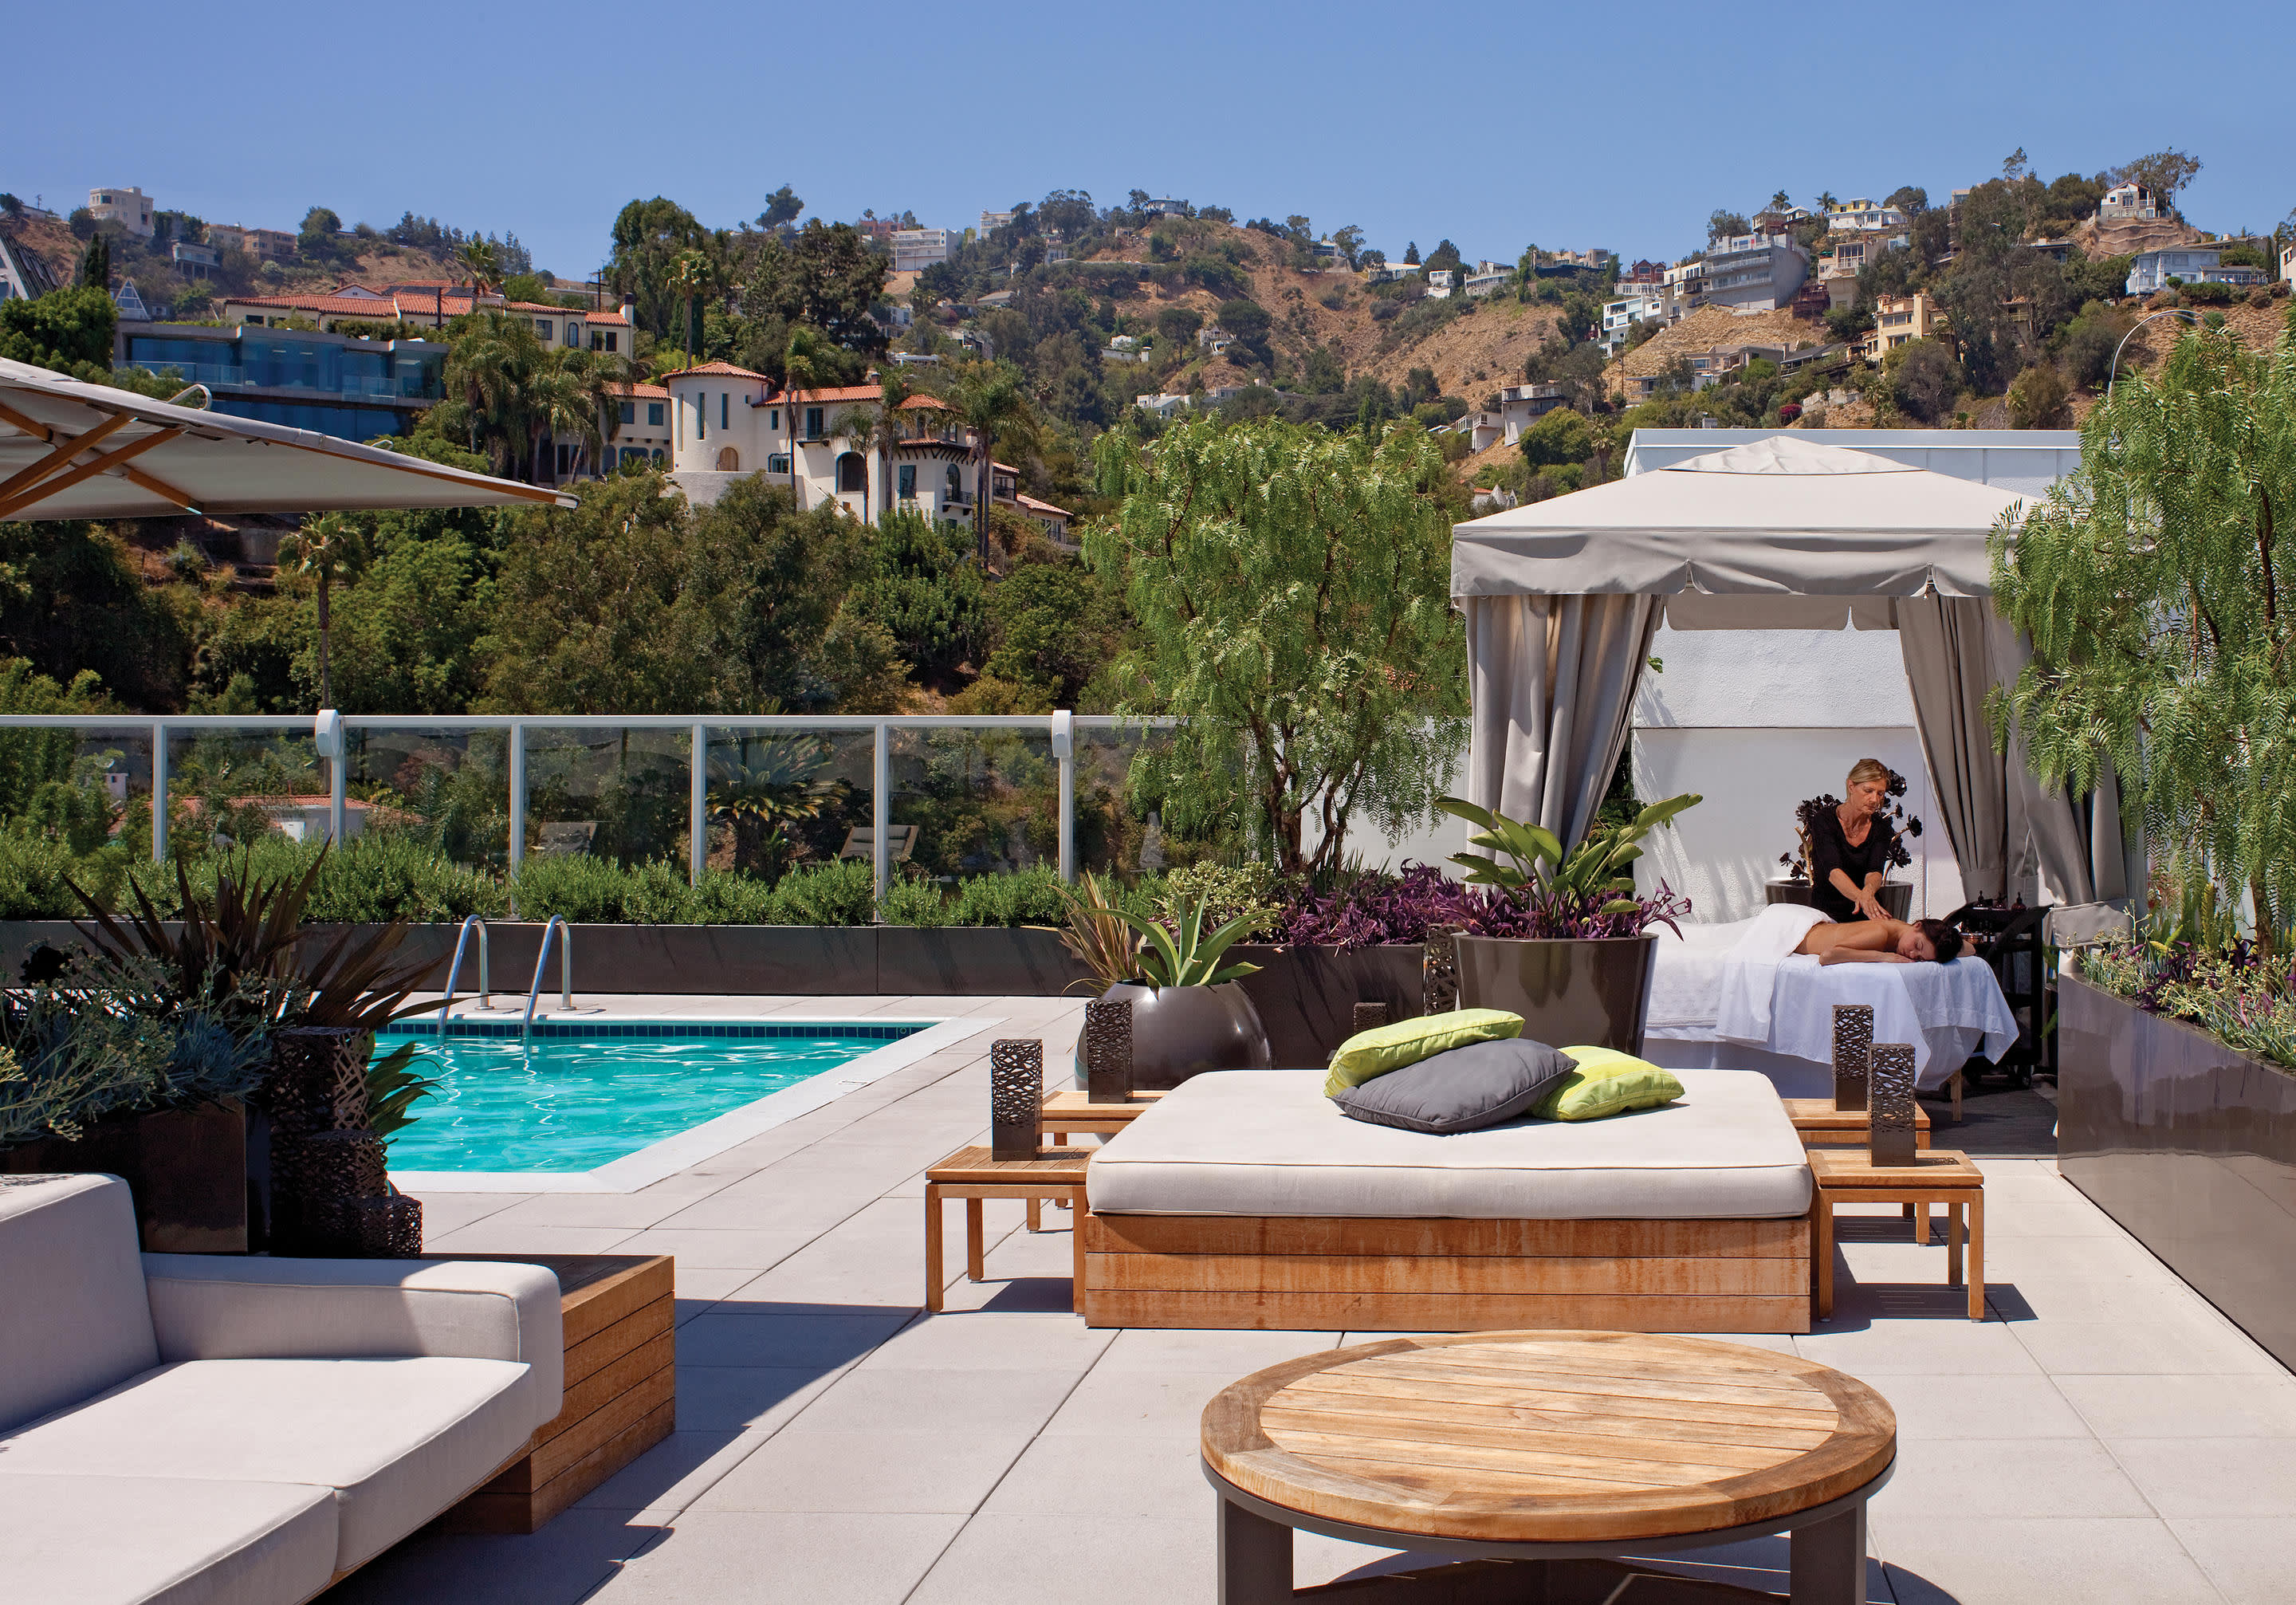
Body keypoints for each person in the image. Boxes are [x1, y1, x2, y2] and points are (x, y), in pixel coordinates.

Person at [1806, 757, 1898, 922]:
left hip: (1868, 912)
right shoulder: (1824, 820)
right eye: (1868, 791)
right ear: (1851, 786)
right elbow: (1834, 873)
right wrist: (1862, 898)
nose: (1875, 800)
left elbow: (1875, 871)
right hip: (1827, 914)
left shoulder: (1881, 828)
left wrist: (1869, 891)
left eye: (1880, 793)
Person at [1798, 915, 1966, 966]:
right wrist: (1883, 956)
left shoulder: (1904, 931)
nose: (1913, 954)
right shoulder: (1880, 933)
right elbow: (1828, 956)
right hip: (1794, 932)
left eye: (1920, 958)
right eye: (1917, 946)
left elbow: (1970, 949)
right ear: (1917, 926)